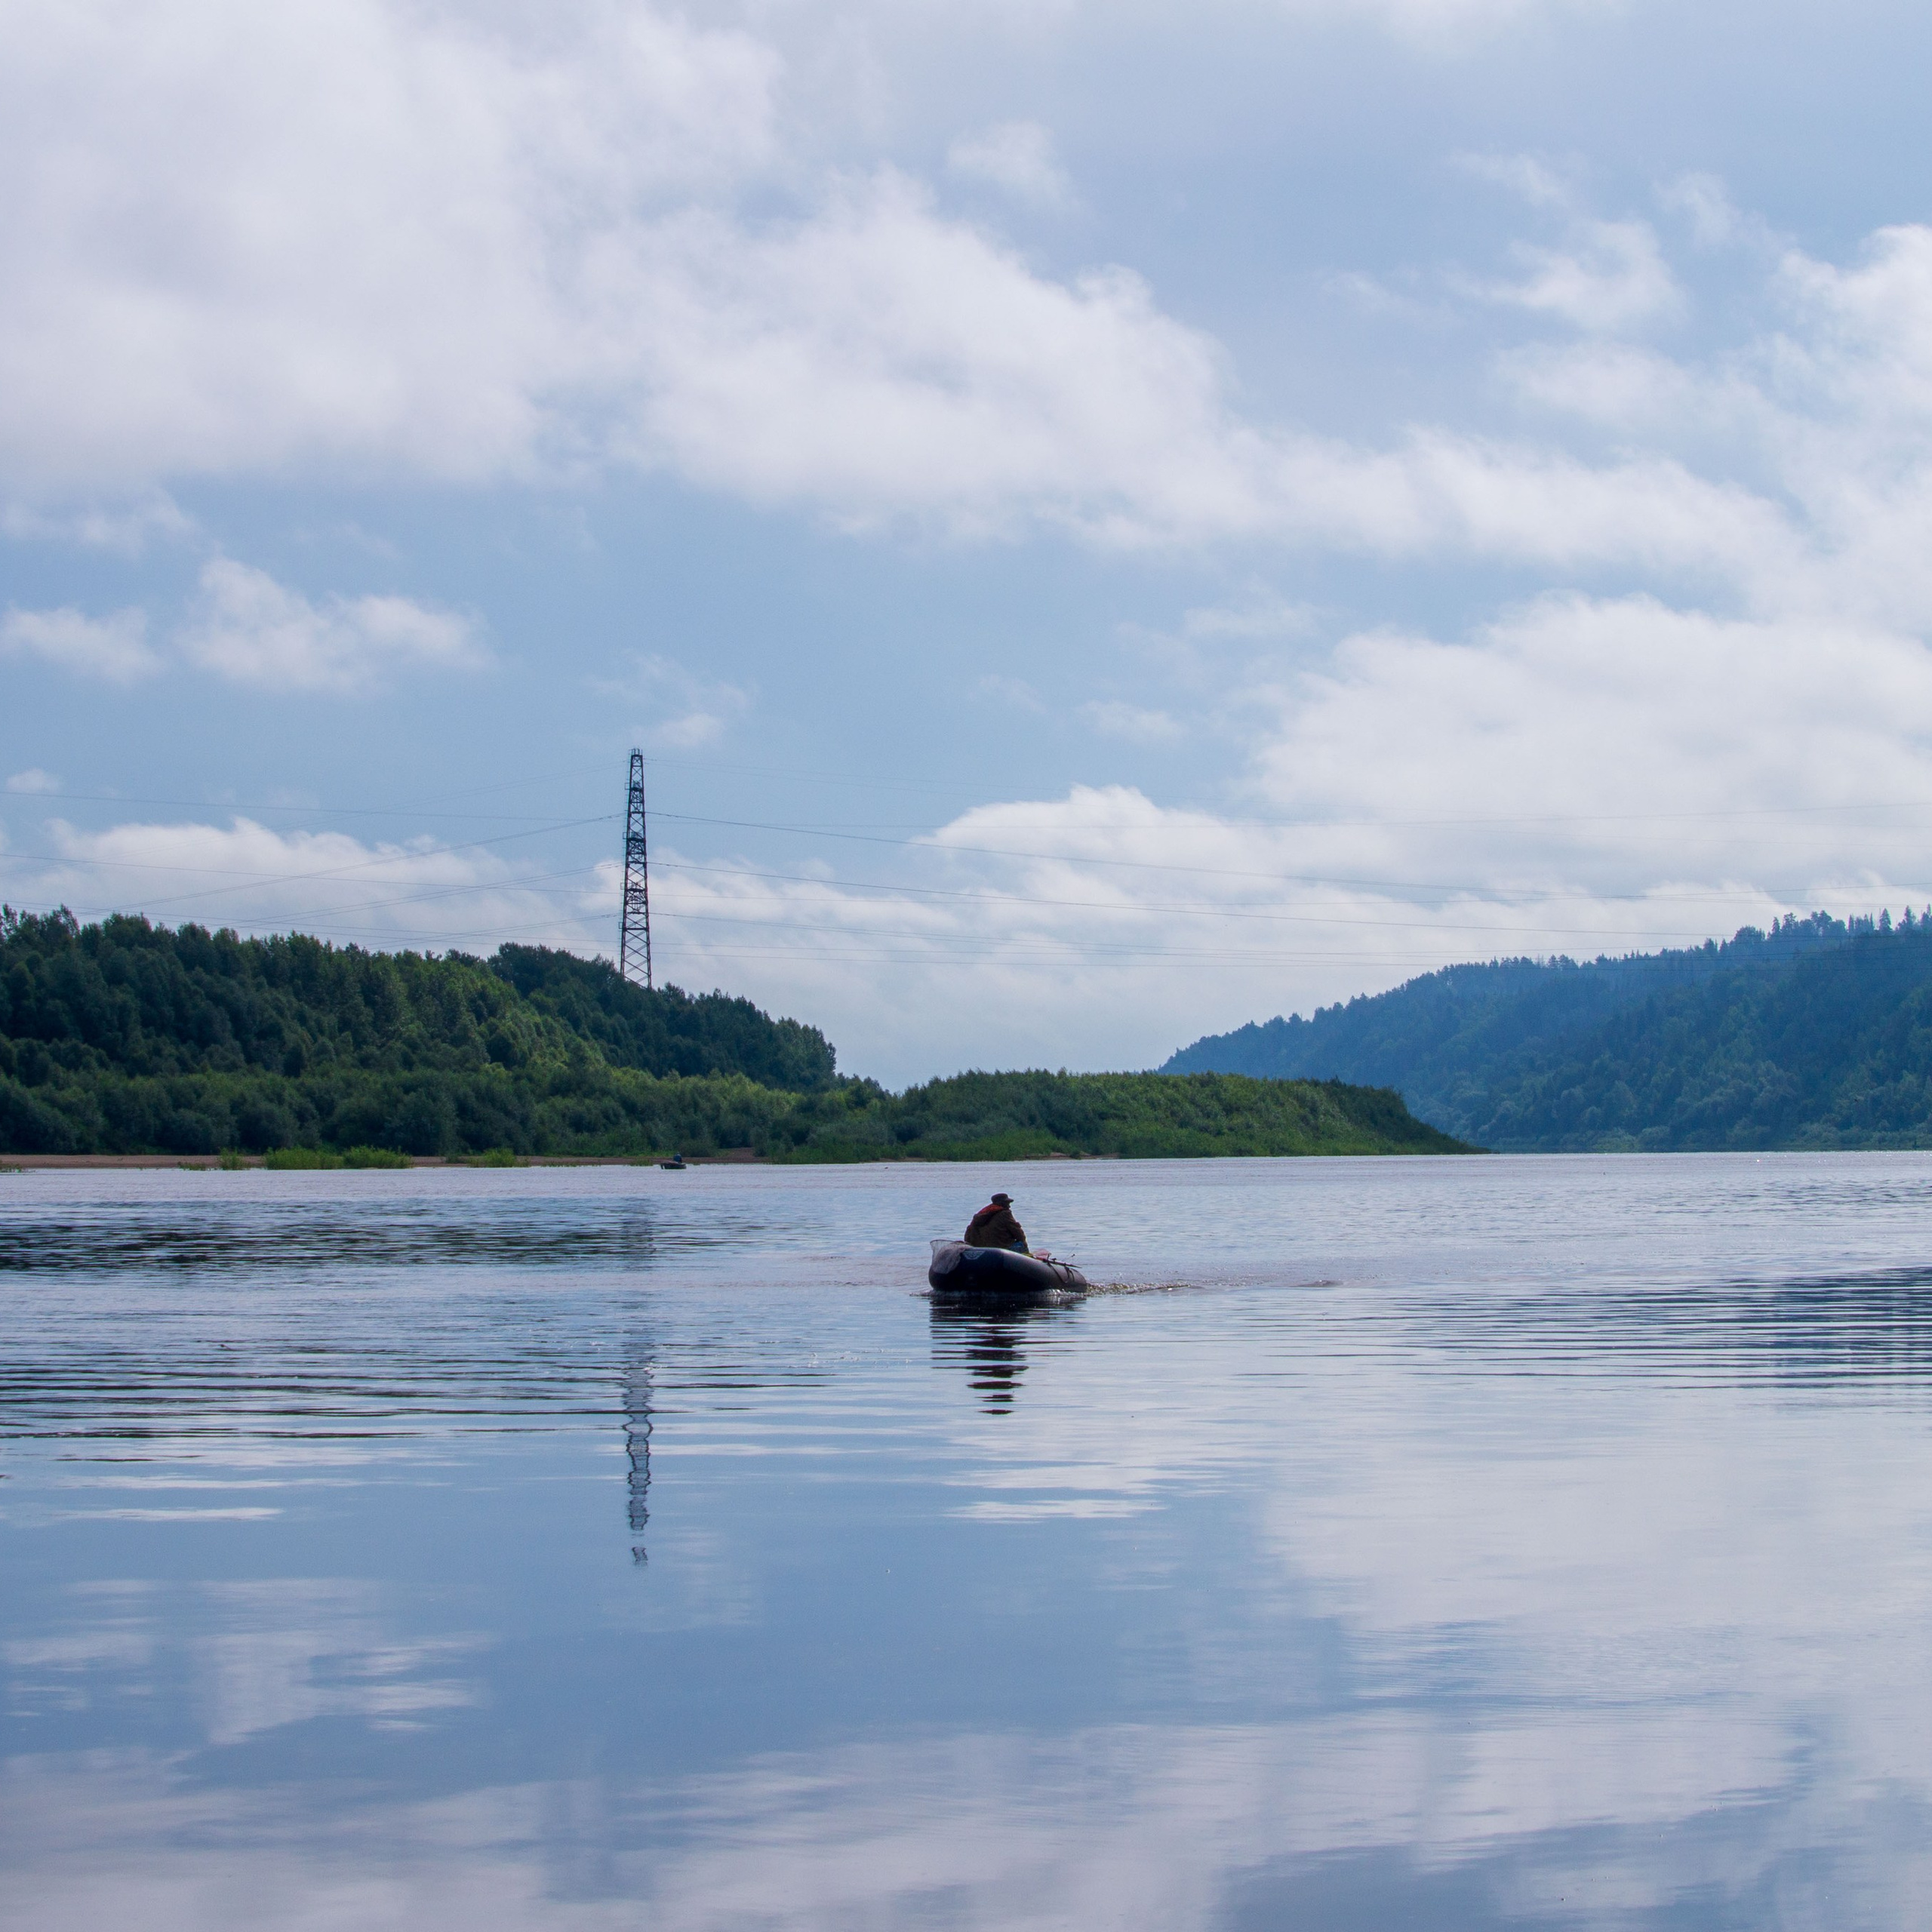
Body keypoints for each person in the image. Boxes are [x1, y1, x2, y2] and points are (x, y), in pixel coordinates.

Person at [964, 1192, 1029, 1253]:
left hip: (981, 1250)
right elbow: (1017, 1232)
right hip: (1002, 1249)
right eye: (1007, 1204)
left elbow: (968, 1236)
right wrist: (1023, 1241)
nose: (1009, 1206)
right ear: (1001, 1203)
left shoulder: (980, 1215)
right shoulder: (1005, 1213)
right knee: (1022, 1243)